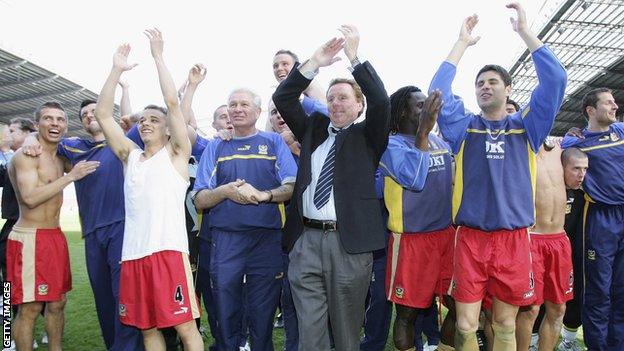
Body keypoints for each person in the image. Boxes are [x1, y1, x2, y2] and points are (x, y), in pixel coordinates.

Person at [428, 3, 567, 349]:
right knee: (464, 325)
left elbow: (556, 80)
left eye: (492, 82)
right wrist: (461, 43)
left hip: (514, 240)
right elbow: (438, 92)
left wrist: (524, 31)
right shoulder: (464, 128)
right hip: (472, 239)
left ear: (507, 89)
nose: (485, 87)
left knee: (505, 325)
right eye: (480, 83)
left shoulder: (527, 129)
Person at [273, 25, 391, 351]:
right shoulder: (313, 128)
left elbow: (382, 101)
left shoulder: (369, 136)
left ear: (358, 105)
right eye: (331, 98)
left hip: (348, 245)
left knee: (346, 332)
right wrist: (313, 63)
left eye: (343, 98)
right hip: (306, 242)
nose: (336, 103)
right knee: (311, 335)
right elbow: (282, 97)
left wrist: (354, 58)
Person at [94, 31, 203, 351]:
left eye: (154, 120)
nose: (146, 123)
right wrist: (116, 69)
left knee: (185, 327)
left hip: (168, 252)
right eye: (143, 120)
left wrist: (158, 56)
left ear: (168, 127)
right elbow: (103, 115)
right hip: (133, 256)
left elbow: (172, 103)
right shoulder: (131, 158)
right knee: (147, 328)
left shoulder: (176, 154)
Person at [192, 84, 296, 350]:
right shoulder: (216, 147)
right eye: (233, 105)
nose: (237, 109)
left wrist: (264, 196)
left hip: (266, 240)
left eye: (244, 104)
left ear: (258, 111)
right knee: (226, 310)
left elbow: (291, 186)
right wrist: (225, 192)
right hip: (226, 240)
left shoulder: (273, 143)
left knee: (263, 314)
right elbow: (200, 198)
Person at [7, 102, 100, 351]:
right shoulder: (26, 155)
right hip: (29, 237)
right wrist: (70, 177)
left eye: (60, 120)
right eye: (48, 119)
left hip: (54, 236)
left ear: (66, 126)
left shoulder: (62, 156)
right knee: (30, 307)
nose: (55, 124)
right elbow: (29, 197)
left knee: (58, 302)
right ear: (37, 124)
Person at [380, 86, 452, 351]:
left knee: (459, 304)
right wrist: (423, 131)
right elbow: (414, 178)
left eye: (428, 104)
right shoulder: (390, 145)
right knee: (407, 314)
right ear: (401, 112)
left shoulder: (441, 143)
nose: (428, 110)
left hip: (446, 236)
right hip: (412, 240)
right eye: (420, 106)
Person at [561, 87, 623, 350]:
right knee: (598, 292)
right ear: (590, 110)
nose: (615, 106)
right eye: (608, 103)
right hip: (599, 219)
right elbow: (554, 152)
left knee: (621, 292)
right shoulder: (577, 141)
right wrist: (564, 137)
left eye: (614, 102)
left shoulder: (620, 132)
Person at [515, 140, 586, 350]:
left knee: (558, 309)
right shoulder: (520, 146)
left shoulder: (560, 150)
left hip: (559, 241)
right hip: (532, 239)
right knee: (530, 310)